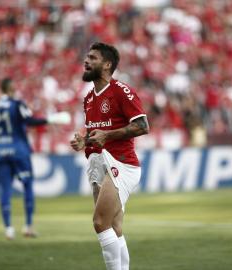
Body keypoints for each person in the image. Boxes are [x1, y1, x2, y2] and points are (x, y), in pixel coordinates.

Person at [70, 42, 149, 270]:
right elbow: (97, 132)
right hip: (98, 162)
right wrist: (83, 141)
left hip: (121, 164)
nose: (86, 61)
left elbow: (143, 126)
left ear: (107, 65)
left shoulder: (121, 91)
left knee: (99, 222)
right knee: (114, 227)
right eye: (86, 57)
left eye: (92, 58)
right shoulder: (89, 98)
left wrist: (108, 136)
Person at [0, 77, 70, 239]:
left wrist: (0, 147)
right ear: (10, 89)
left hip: (2, 153)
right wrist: (50, 119)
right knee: (28, 186)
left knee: (5, 189)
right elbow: (29, 120)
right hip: (19, 152)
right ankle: (28, 226)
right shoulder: (17, 104)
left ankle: (8, 229)